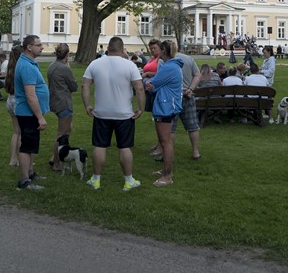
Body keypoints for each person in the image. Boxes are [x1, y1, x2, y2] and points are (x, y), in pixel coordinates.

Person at [82, 36, 145, 191]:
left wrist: (87, 105)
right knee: (125, 147)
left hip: (101, 113)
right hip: (124, 114)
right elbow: (139, 88)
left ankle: (96, 179)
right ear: (122, 49)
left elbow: (85, 86)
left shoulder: (95, 63)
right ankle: (128, 180)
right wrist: (141, 108)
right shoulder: (130, 65)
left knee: (100, 146)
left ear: (108, 48)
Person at [144, 39, 182, 186]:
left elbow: (152, 84)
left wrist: (146, 82)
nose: (157, 51)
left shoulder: (169, 67)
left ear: (164, 51)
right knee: (164, 141)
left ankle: (167, 176)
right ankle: (165, 170)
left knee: (166, 143)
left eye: (159, 49)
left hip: (165, 108)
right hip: (165, 105)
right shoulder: (171, 66)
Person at [14, 35, 49, 191]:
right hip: (28, 113)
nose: (42, 47)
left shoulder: (29, 62)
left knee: (31, 145)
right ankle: (24, 181)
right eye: (39, 45)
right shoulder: (26, 66)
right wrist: (40, 117)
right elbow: (30, 95)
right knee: (27, 146)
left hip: (30, 113)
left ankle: (30, 173)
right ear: (29, 47)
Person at [47, 43, 78, 172]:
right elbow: (74, 87)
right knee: (61, 134)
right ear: (67, 54)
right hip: (63, 103)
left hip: (54, 101)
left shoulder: (51, 66)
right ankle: (56, 163)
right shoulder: (65, 69)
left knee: (68, 128)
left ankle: (54, 157)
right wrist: (68, 67)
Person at [173, 49, 202, 161]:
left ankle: (168, 152)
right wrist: (191, 88)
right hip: (187, 94)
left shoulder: (165, 60)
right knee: (192, 125)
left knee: (170, 127)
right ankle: (195, 152)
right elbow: (197, 75)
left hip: (173, 96)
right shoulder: (188, 59)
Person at [4, 45, 23, 168]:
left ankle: (13, 159)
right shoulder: (21, 68)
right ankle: (22, 159)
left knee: (16, 132)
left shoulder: (10, 68)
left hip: (10, 100)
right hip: (19, 101)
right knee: (22, 133)